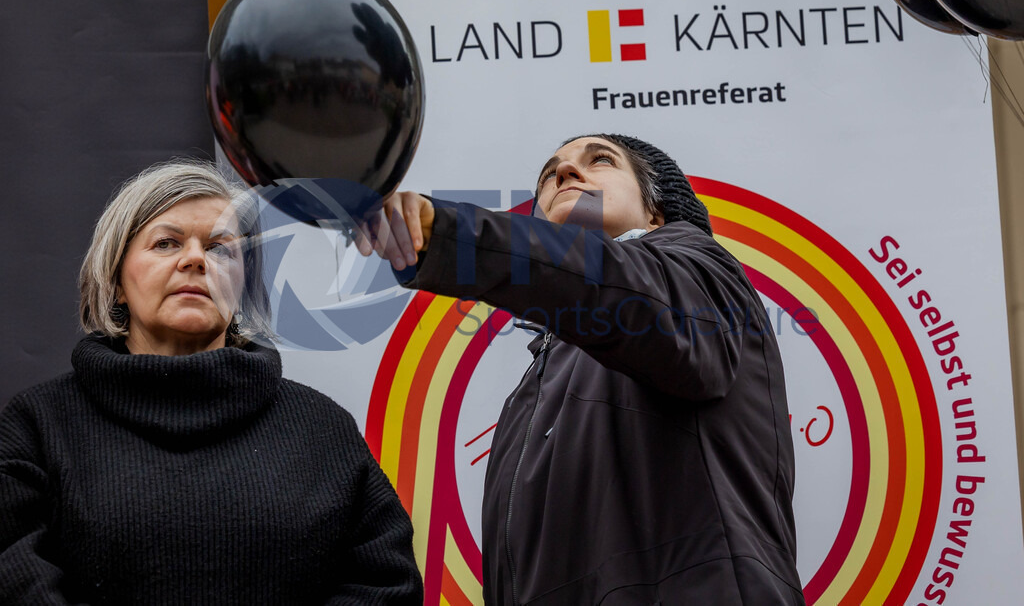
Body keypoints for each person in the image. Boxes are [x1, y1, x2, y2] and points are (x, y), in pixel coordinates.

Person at [360, 134, 804, 604]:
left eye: (600, 160)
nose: (565, 174)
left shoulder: (697, 269)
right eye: (551, 174)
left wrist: (451, 235)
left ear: (655, 212)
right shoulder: (533, 388)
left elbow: (616, 285)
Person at [0, 160, 423, 604]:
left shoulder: (321, 430)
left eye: (222, 249)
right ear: (116, 280)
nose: (196, 260)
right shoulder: (37, 426)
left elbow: (386, 584)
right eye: (166, 243)